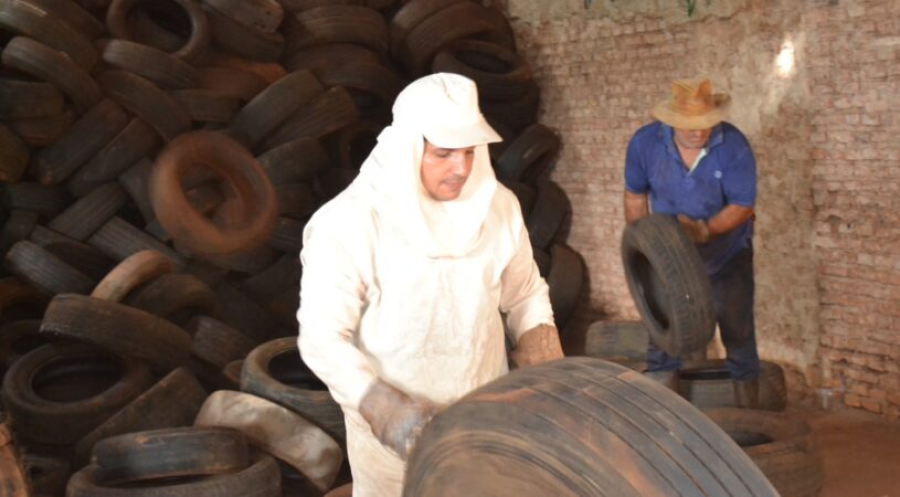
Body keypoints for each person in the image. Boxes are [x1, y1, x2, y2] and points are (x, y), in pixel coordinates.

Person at [297, 73, 564, 497]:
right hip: (394, 445)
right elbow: (321, 339)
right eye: (442, 153)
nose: (461, 167)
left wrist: (539, 334)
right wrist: (378, 403)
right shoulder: (350, 222)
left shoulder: (499, 208)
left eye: (470, 151)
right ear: (407, 147)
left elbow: (526, 293)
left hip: (485, 423)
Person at [622, 77, 760, 408]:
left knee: (737, 331)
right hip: (670, 261)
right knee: (663, 339)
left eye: (706, 124)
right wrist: (647, 246)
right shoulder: (645, 144)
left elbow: (743, 204)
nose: (700, 132)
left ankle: (752, 420)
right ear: (671, 122)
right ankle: (668, 421)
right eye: (691, 126)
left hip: (726, 255)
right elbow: (634, 196)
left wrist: (704, 229)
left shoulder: (733, 145)